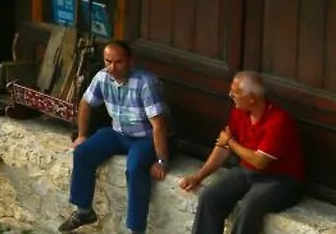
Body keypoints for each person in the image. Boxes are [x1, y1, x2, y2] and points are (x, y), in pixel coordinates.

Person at [61, 40, 174, 234]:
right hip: (118, 133)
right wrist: (82, 135)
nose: (112, 67)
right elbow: (86, 104)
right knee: (82, 153)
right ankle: (84, 211)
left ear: (131, 61)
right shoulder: (102, 77)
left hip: (144, 137)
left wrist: (162, 160)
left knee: (135, 167)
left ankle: (135, 229)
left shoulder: (146, 82)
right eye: (108, 61)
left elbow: (159, 126)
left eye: (118, 62)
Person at [181, 72, 304, 234]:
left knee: (248, 207)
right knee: (210, 196)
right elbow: (223, 147)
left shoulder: (278, 121)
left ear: (252, 98)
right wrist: (198, 176)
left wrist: (231, 142)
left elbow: (260, 161)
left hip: (280, 180)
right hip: (248, 171)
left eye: (236, 93)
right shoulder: (239, 112)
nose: (231, 95)